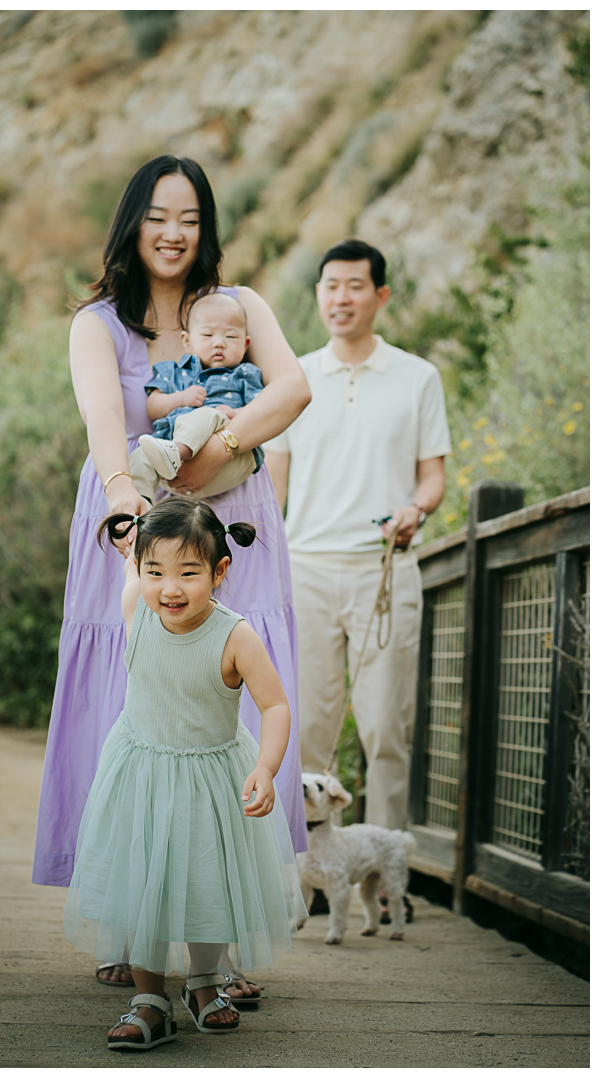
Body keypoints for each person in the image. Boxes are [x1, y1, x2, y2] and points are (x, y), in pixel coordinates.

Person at [31, 155, 311, 998]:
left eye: (189, 217)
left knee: (231, 693)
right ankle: (127, 921)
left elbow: (293, 388)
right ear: (133, 221)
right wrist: (130, 503)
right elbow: (104, 420)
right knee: (131, 704)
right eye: (158, 215)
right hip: (129, 523)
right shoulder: (97, 322)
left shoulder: (240, 306)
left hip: (236, 519)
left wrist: (207, 465)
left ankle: (222, 934)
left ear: (207, 227)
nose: (174, 231)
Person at [64, 498, 305, 1051]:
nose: (169, 588)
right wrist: (134, 528)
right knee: (144, 880)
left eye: (188, 573)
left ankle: (203, 981)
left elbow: (275, 706)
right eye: (156, 572)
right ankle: (149, 999)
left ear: (220, 572)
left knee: (206, 881)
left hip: (210, 779)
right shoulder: (136, 606)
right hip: (141, 772)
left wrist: (266, 768)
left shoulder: (234, 635)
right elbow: (133, 563)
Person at [264, 238, 451, 847]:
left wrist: (415, 509)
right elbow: (274, 487)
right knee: (309, 728)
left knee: (385, 727)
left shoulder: (418, 378)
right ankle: (311, 872)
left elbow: (433, 476)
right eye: (330, 286)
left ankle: (387, 870)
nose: (340, 298)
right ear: (318, 295)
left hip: (386, 572)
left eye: (354, 286)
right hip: (306, 572)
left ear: (381, 295)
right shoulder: (292, 379)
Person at [130, 291, 263, 503]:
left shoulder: (244, 374)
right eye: (208, 335)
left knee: (209, 414)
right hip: (170, 467)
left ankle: (177, 453)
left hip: (229, 460)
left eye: (230, 336)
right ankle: (141, 503)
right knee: (140, 455)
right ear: (187, 341)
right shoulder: (174, 371)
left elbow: (263, 411)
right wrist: (181, 398)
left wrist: (235, 412)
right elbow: (153, 407)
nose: (219, 343)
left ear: (246, 344)